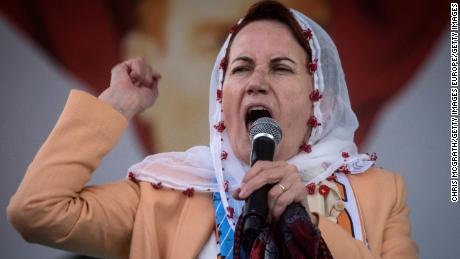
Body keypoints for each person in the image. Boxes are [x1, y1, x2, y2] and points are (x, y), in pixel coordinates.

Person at [7, 1, 418, 258]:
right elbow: (35, 212)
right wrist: (115, 105)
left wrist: (307, 226)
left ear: (320, 100)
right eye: (240, 67)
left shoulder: (379, 195)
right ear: (221, 98)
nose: (257, 81)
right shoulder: (160, 199)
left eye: (281, 67)